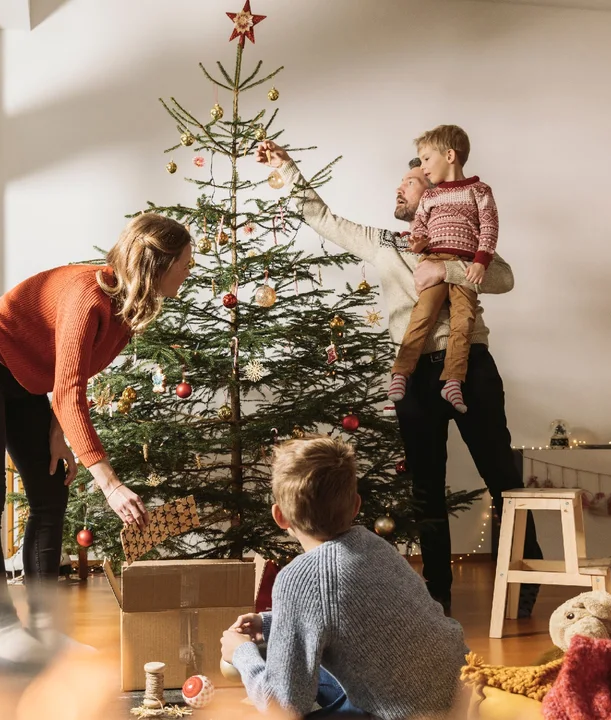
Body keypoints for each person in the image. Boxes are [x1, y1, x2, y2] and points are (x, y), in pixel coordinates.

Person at [255, 139, 541, 618]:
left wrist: (446, 267)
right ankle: (438, 596)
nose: (400, 190)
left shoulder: (470, 246)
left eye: (410, 183)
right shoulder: (383, 241)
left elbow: (504, 277)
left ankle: (527, 583)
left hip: (471, 364)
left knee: (502, 477)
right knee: (427, 487)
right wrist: (287, 166)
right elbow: (323, 217)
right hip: (413, 376)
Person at [0, 213, 192, 667]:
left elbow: (70, 377)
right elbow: (71, 389)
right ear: (161, 263)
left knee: (51, 491)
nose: (190, 272)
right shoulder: (88, 294)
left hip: (26, 386)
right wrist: (111, 484)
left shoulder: (129, 310)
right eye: (186, 263)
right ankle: (3, 631)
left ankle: (44, 630)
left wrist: (58, 434)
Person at [220, 436, 468, 719]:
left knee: (271, 680)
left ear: (280, 516)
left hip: (413, 714)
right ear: (356, 506)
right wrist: (270, 621)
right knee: (285, 653)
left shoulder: (298, 577)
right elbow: (356, 613)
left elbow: (285, 706)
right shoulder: (375, 546)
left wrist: (240, 654)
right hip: (463, 693)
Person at [391, 125, 498, 414]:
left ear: (449, 155)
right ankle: (401, 371)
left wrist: (479, 262)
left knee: (463, 320)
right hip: (434, 258)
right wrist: (418, 243)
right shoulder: (429, 198)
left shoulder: (479, 191)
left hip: (463, 263)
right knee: (422, 313)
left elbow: (488, 227)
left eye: (426, 159)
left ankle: (453, 380)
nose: (423, 167)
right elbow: (421, 226)